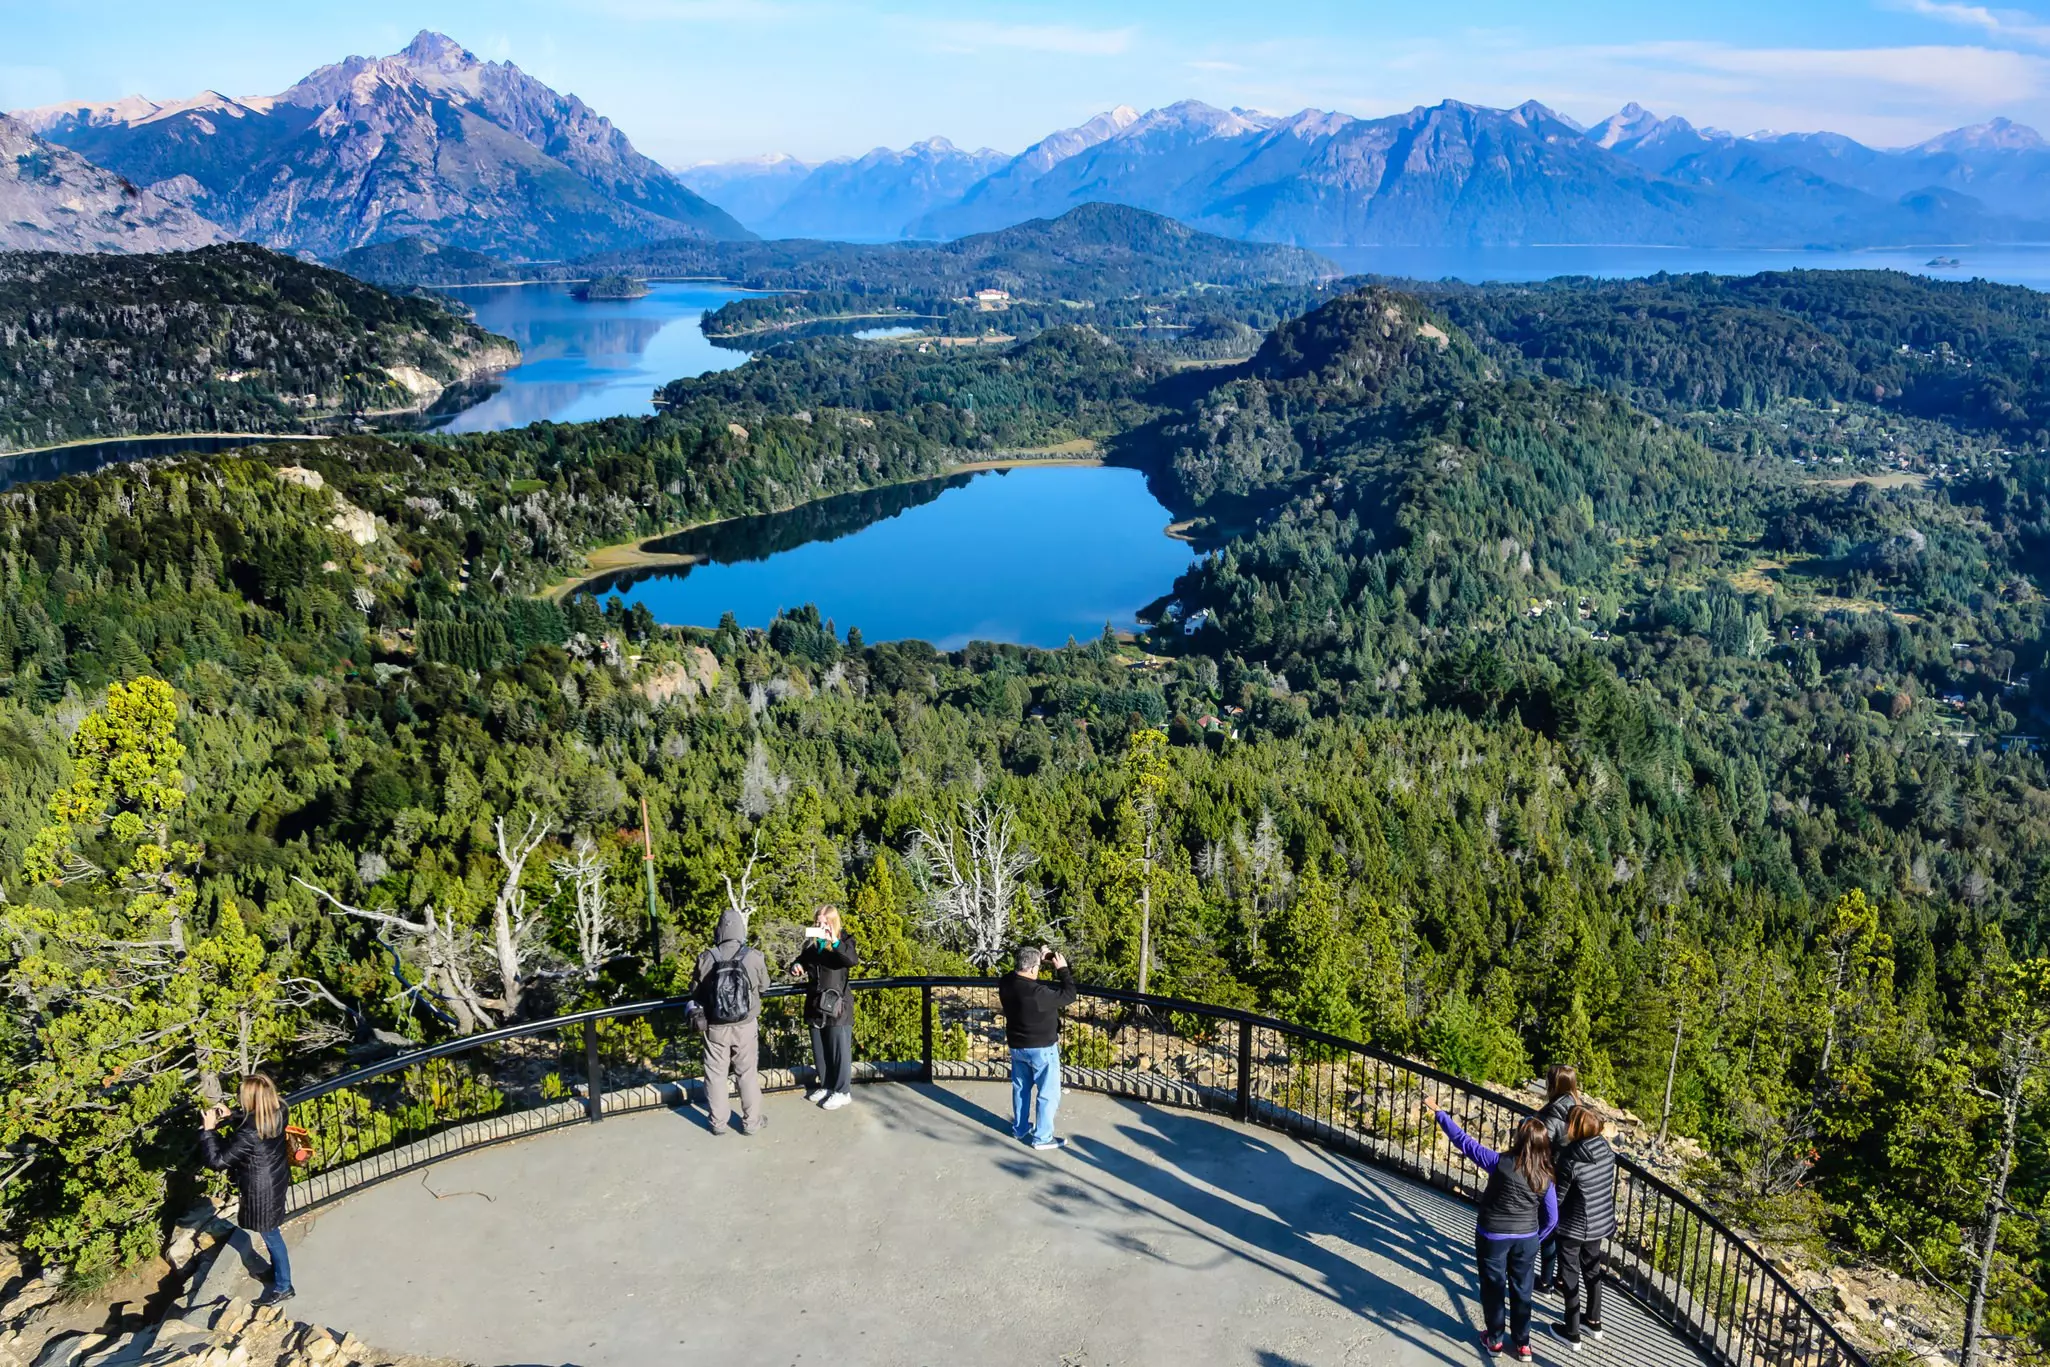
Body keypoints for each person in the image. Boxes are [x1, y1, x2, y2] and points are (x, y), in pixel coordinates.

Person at [1424, 1092, 1557, 1362]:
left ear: (1520, 1139)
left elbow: (1464, 1142)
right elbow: (1552, 1217)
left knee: (1493, 1287)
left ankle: (1495, 1339)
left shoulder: (1500, 1163)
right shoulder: (1545, 1176)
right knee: (1522, 1289)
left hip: (1493, 1235)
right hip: (1526, 1238)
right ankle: (1523, 1344)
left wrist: (1441, 1115)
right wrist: (1536, 1236)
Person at [199, 1074, 295, 1308]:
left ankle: (284, 1286)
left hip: (260, 1188)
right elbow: (255, 1121)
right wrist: (233, 1116)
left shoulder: (250, 1132)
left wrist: (208, 1131)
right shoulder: (280, 1110)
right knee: (271, 1232)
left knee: (271, 1236)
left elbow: (218, 1161)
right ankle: (278, 1273)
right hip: (275, 1179)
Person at [692, 905, 770, 1135]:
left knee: (716, 1074)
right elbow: (765, 986)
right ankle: (751, 1122)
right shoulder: (753, 957)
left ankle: (718, 1123)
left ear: (719, 931)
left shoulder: (706, 958)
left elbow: (695, 992)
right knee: (746, 1073)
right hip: (746, 1024)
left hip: (715, 1025)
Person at [1550, 1105, 1618, 1351]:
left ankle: (1571, 1331)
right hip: (1599, 1222)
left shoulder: (1571, 1159)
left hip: (1573, 1226)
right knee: (1592, 1270)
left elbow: (1558, 1198)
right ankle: (1594, 1321)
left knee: (1570, 1274)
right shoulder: (1606, 1150)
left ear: (1576, 1127)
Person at [997, 944, 1076, 1151]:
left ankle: (1020, 1128)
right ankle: (1042, 1138)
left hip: (1017, 1046)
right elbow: (1069, 995)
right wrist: (1062, 969)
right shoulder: (1039, 993)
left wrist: (1037, 959)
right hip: (1042, 1048)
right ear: (1033, 969)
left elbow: (1022, 980)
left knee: (1021, 1088)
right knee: (1048, 1093)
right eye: (1038, 967)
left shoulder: (1006, 982)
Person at [790, 904, 860, 1111]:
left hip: (837, 1005)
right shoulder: (812, 947)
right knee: (820, 1050)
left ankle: (842, 1091)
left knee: (839, 1050)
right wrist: (796, 966)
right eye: (817, 922)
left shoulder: (845, 940)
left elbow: (851, 960)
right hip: (815, 1005)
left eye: (824, 922)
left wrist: (834, 941)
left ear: (833, 922)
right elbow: (800, 961)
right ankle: (827, 1085)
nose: (820, 925)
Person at [1534, 1064, 1581, 1291]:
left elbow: (1541, 1146)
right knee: (1562, 1231)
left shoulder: (1552, 1113)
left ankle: (1545, 1280)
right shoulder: (1577, 1109)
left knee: (1548, 1227)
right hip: (1573, 1177)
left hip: (1553, 1177)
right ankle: (1560, 1279)